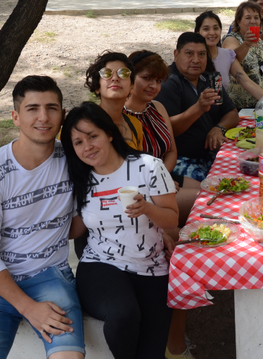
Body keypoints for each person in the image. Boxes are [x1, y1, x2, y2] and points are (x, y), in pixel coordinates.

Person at [0, 76, 85, 359]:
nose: (43, 117)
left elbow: (74, 227)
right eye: (32, 108)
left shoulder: (74, 160)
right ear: (15, 117)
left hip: (50, 274)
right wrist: (28, 307)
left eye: (52, 108)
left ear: (62, 114)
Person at [61, 101, 178, 359]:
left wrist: (146, 208)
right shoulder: (80, 179)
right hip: (101, 264)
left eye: (93, 136)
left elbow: (171, 220)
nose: (87, 146)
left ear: (109, 133)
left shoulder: (149, 166)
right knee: (123, 314)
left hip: (152, 267)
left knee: (152, 353)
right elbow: (75, 229)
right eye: (78, 142)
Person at [123, 50, 201, 227]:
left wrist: (163, 178)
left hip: (166, 174)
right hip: (141, 189)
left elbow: (172, 150)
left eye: (158, 81)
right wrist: (160, 184)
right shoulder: (120, 116)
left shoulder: (157, 107)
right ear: (130, 77)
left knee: (214, 191)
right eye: (147, 78)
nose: (153, 86)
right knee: (205, 202)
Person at [154, 32, 239, 182]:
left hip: (210, 155)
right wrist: (198, 108)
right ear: (176, 54)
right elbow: (168, 129)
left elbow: (232, 113)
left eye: (201, 54)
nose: (196, 60)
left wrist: (219, 127)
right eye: (189, 53)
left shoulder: (210, 78)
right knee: (216, 191)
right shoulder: (168, 83)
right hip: (181, 160)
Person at [194, 11, 263, 104]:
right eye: (206, 29)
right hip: (197, 112)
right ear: (198, 32)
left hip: (221, 111)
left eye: (216, 28)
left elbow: (246, 82)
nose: (212, 33)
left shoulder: (227, 55)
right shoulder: (193, 59)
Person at [84, 51, 144, 150]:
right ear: (97, 87)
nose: (115, 78)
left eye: (123, 73)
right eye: (106, 73)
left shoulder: (135, 124)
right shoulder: (80, 124)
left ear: (132, 86)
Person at [222, 1, 263, 109]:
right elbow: (232, 57)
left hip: (262, 105)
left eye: (256, 17)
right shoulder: (231, 39)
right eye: (248, 17)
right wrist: (246, 44)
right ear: (238, 21)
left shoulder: (260, 43)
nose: (253, 21)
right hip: (239, 108)